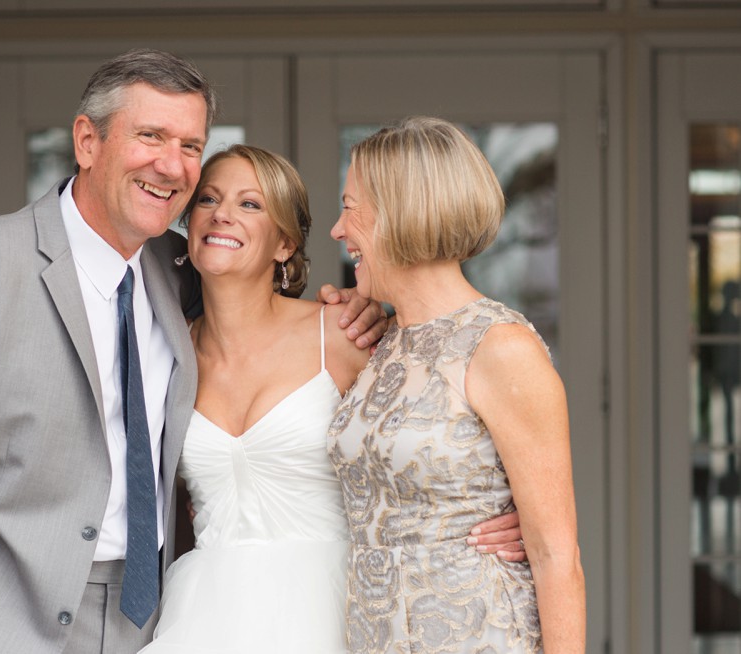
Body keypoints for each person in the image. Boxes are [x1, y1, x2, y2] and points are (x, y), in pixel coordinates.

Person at [0, 49, 384, 654]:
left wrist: (356, 310)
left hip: (149, 623)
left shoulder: (180, 275)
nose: (172, 165)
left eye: (189, 145)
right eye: (150, 135)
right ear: (87, 141)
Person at [140, 145, 529, 653]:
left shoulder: (344, 333)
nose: (223, 214)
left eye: (250, 204)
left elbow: (441, 430)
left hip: (335, 608)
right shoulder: (165, 349)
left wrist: (510, 513)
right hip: (205, 616)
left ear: (284, 244)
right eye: (208, 199)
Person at [327, 116, 585, 653]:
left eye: (349, 209)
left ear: (401, 213)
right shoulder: (380, 342)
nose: (336, 229)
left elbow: (557, 557)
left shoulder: (500, 347)